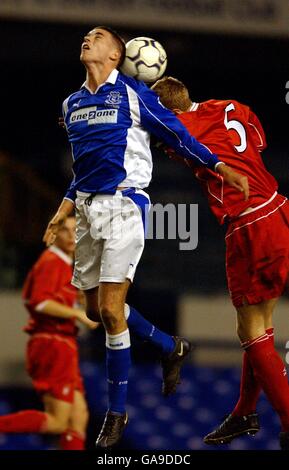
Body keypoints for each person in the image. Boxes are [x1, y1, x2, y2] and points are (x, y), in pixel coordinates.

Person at [43, 26, 249, 448]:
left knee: (112, 311)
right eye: (85, 35)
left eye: (97, 36)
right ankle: (169, 345)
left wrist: (219, 166)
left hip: (124, 206)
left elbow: (178, 134)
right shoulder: (72, 103)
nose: (87, 39)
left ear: (116, 54)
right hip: (86, 210)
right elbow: (83, 170)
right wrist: (62, 209)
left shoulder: (136, 95)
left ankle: (116, 416)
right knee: (95, 312)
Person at [151, 76, 289, 450]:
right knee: (261, 327)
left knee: (251, 333)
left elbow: (172, 138)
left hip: (249, 223)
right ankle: (244, 412)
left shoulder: (179, 129)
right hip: (278, 206)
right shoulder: (231, 106)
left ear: (168, 112)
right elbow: (257, 143)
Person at [0, 215, 97, 450]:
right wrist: (77, 314)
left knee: (79, 417)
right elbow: (39, 302)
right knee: (57, 423)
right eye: (66, 230)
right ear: (54, 235)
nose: (73, 235)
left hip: (65, 343)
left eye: (77, 230)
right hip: (52, 344)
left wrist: (84, 305)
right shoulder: (52, 260)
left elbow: (80, 313)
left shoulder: (67, 266)